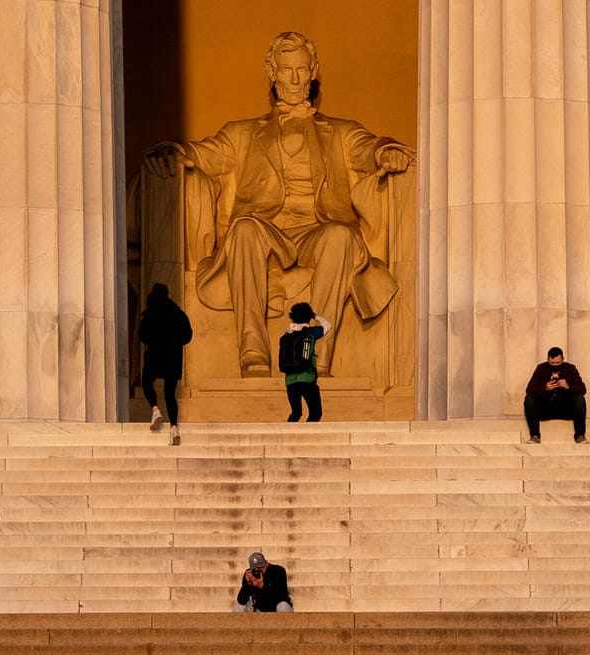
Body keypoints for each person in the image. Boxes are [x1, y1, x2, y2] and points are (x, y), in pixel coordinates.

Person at [143, 31, 414, 376]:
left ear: (314, 69)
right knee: (243, 229)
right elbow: (205, 154)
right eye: (286, 70)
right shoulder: (242, 133)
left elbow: (369, 148)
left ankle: (312, 355)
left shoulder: (342, 132)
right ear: (271, 71)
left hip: (317, 233)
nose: (295, 79)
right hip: (266, 231)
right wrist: (175, 151)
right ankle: (252, 352)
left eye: (302, 69)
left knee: (341, 236)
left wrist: (385, 151)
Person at [136, 283, 193, 445]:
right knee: (170, 394)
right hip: (173, 357)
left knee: (147, 382)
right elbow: (188, 335)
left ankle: (155, 409)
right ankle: (174, 428)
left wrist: (154, 340)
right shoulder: (177, 312)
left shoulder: (151, 312)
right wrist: (175, 341)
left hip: (155, 354)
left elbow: (142, 335)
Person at [523, 347, 588, 444]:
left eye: (558, 363)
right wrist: (545, 388)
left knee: (579, 399)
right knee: (529, 399)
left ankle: (580, 435)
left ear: (563, 359)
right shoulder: (541, 368)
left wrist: (568, 386)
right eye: (552, 363)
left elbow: (582, 389)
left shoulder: (570, 368)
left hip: (565, 409)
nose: (555, 365)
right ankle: (535, 436)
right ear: (548, 360)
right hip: (546, 409)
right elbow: (530, 389)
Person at [280, 303, 328, 422]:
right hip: (307, 379)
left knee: (296, 413)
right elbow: (328, 325)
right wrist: (315, 316)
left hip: (290, 381)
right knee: (315, 413)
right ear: (308, 317)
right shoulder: (311, 332)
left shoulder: (285, 336)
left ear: (292, 316)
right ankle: (308, 437)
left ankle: (287, 436)